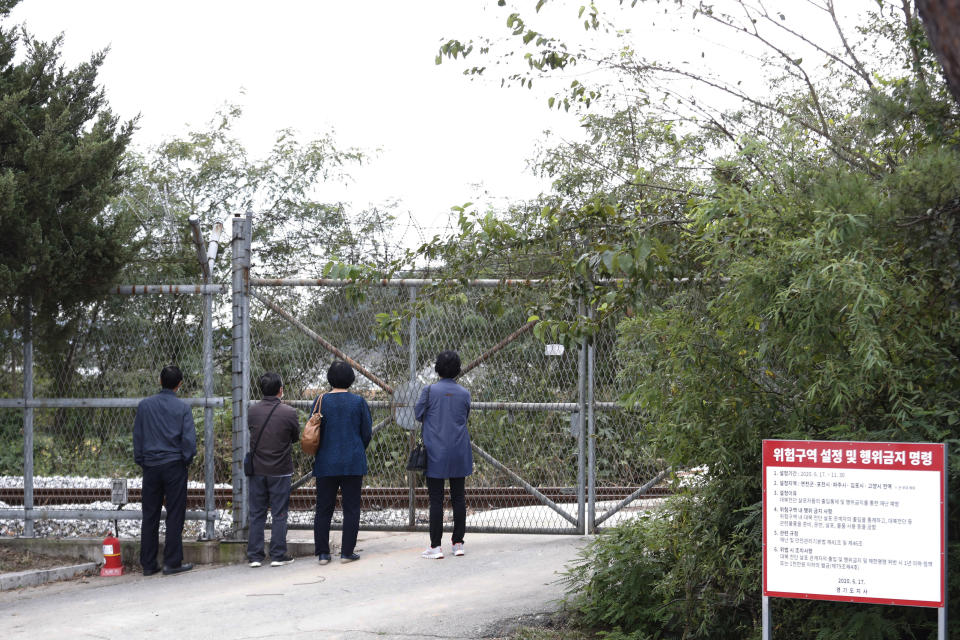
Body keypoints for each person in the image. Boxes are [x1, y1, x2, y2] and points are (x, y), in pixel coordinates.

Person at [133, 364, 197, 576]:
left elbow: (138, 437)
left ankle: (148, 564)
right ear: (180, 385)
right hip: (174, 465)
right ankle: (172, 562)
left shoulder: (145, 406)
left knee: (150, 514)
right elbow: (188, 440)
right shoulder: (183, 408)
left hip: (151, 465)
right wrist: (184, 461)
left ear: (160, 381)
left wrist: (143, 460)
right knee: (175, 513)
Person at [312, 361, 372, 564]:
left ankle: (322, 553)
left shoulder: (320, 401)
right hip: (353, 461)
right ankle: (347, 552)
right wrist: (356, 448)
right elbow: (366, 433)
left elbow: (314, 431)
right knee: (352, 508)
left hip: (325, 462)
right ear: (351, 379)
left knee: (323, 508)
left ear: (330, 378)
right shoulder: (358, 402)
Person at [415, 350, 472, 559]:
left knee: (436, 499)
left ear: (437, 368)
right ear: (458, 369)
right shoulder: (464, 393)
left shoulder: (429, 391)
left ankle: (435, 546)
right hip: (459, 450)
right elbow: (465, 416)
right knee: (458, 497)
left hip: (435, 451)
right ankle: (458, 543)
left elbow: (418, 414)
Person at [246, 372, 300, 568]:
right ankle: (278, 554)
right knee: (279, 512)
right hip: (280, 469)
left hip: (257, 469)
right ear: (280, 390)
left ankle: (255, 555)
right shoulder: (289, 412)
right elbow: (294, 437)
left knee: (257, 512)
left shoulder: (252, 411)